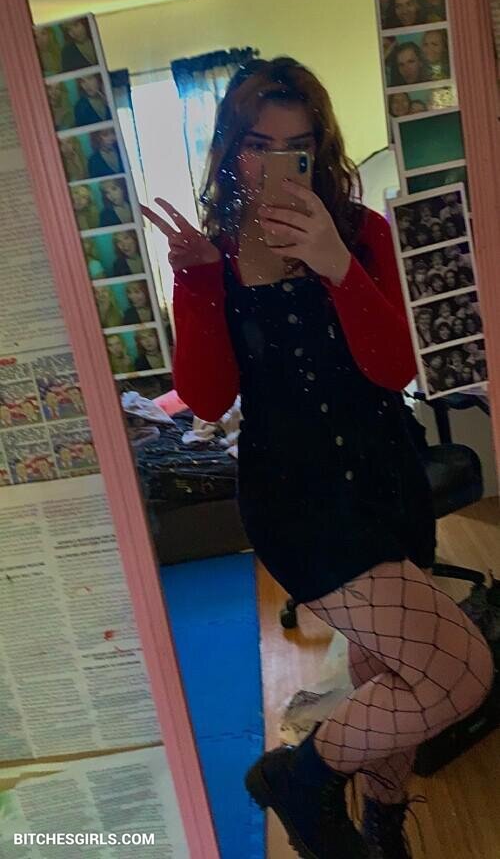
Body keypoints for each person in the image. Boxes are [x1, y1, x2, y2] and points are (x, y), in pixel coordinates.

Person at [142, 56, 493, 859]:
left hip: (386, 477)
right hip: (297, 498)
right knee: (458, 672)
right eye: (258, 144)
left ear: (320, 149)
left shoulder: (364, 235)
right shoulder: (216, 257)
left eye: (296, 146)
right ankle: (300, 778)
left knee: (387, 672)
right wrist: (196, 284)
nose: (276, 162)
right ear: (231, 150)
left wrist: (338, 264)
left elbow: (396, 371)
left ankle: (383, 827)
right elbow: (206, 399)